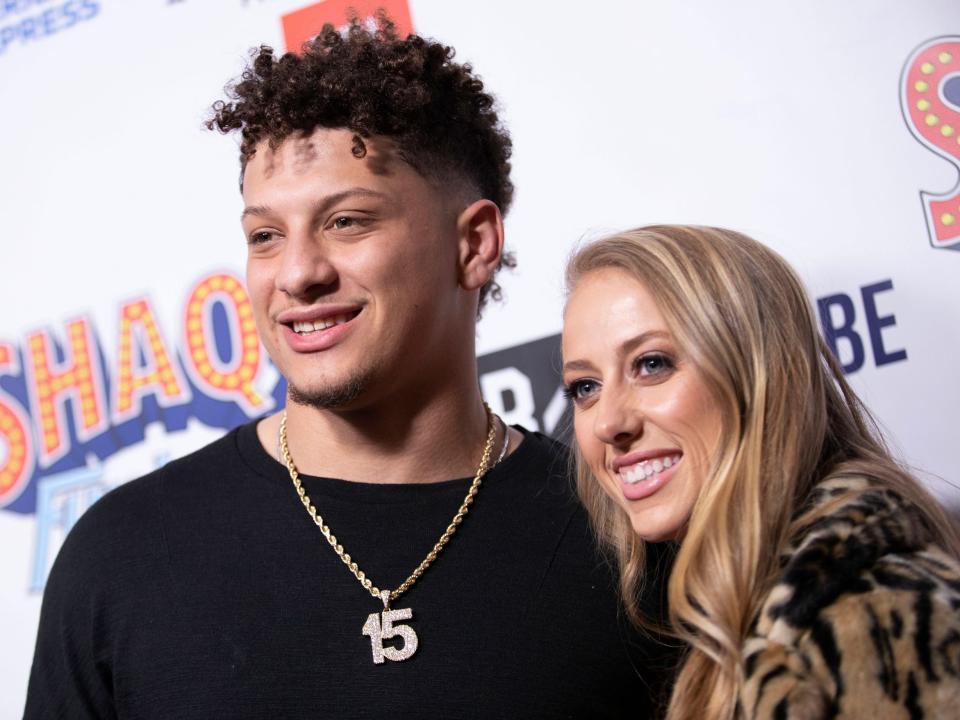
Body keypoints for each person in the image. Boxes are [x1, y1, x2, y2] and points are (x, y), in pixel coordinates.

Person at [24, 20, 676, 720]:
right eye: (266, 236)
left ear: (475, 244)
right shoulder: (125, 554)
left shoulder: (626, 537)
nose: (298, 274)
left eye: (347, 222)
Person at [561, 224, 960, 720]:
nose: (608, 422)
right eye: (584, 387)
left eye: (652, 363)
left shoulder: (869, 611)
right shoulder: (753, 613)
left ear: (755, 370)